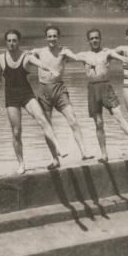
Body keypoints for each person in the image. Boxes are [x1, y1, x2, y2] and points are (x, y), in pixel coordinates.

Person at [0, 29, 60, 174]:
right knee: (16, 132)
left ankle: (58, 149)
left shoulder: (26, 56)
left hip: (27, 94)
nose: (11, 43)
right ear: (6, 42)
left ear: (18, 41)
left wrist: (50, 70)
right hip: (11, 98)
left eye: (14, 40)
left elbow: (39, 63)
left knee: (42, 120)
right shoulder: (0, 59)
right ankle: (21, 164)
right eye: (9, 41)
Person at [76, 29, 128, 161]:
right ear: (88, 40)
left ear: (100, 39)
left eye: (97, 38)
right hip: (92, 90)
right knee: (99, 123)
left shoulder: (107, 53)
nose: (94, 40)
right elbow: (65, 57)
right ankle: (104, 155)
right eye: (92, 38)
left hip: (106, 88)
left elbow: (122, 58)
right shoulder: (84, 55)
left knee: (118, 115)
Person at [28, 25, 92, 161]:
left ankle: (84, 153)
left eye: (55, 36)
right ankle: (55, 160)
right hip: (44, 90)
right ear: (46, 38)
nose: (52, 39)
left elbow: (74, 57)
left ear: (58, 37)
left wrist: (83, 59)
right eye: (50, 36)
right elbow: (27, 58)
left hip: (59, 89)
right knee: (47, 125)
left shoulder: (63, 51)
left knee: (73, 120)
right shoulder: (39, 51)